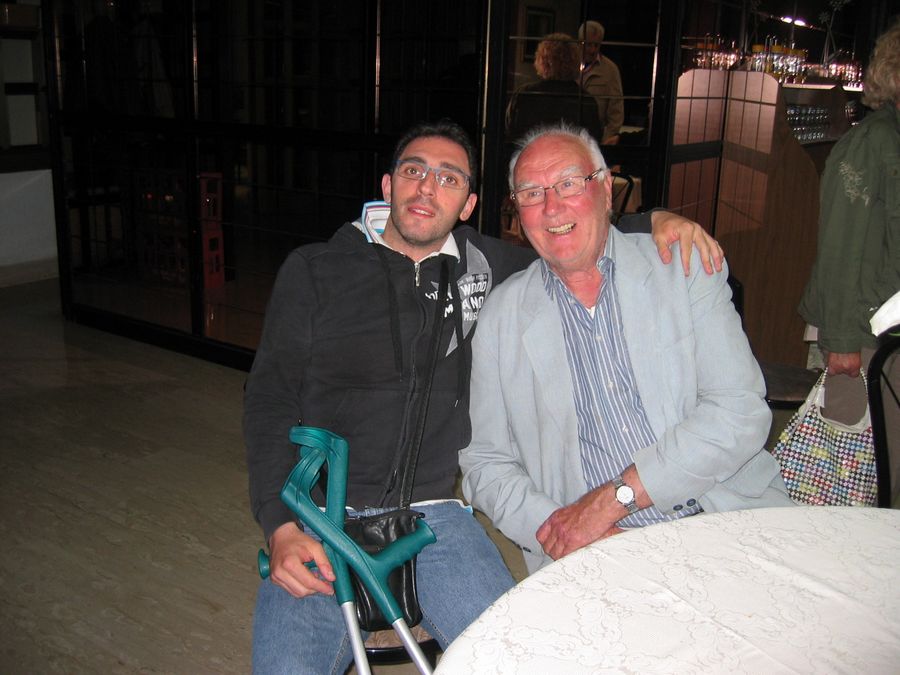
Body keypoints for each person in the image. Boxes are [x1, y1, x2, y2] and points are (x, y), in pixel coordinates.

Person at [244, 119, 723, 672]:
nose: (428, 188)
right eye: (414, 171)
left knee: (513, 658)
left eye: (449, 179)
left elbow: (569, 234)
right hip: (321, 516)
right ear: (388, 185)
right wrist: (280, 526)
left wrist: (655, 219)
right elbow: (269, 401)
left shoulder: (488, 266)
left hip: (435, 517)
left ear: (468, 204)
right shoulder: (315, 271)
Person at [459, 123, 793, 575]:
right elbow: (486, 462)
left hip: (718, 518)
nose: (552, 207)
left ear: (605, 191)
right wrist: (563, 529)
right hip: (588, 551)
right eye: (532, 193)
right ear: (517, 212)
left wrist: (611, 500)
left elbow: (739, 411)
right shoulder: (501, 316)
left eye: (569, 184)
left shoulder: (682, 268)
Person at [799, 19, 900, 503]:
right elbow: (840, 247)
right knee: (847, 478)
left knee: (882, 472)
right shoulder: (873, 143)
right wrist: (840, 344)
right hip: (860, 340)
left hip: (886, 332)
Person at [506, 33, 603, 141]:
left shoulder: (525, 95)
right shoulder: (585, 100)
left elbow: (511, 134)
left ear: (542, 61)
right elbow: (594, 140)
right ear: (575, 61)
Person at [578, 20, 624, 144]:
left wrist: (606, 141)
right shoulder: (569, 66)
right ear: (580, 42)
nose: (593, 50)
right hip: (571, 137)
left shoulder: (610, 70)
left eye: (596, 45)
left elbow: (616, 111)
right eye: (589, 44)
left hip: (596, 139)